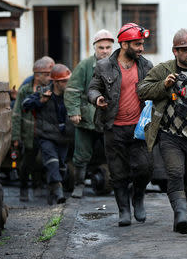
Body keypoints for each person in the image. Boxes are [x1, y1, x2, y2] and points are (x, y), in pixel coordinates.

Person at [137, 28, 187, 234]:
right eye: (184, 50)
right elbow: (142, 90)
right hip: (169, 135)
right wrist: (163, 86)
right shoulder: (164, 69)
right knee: (175, 174)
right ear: (175, 51)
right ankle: (181, 215)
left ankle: (181, 216)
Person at [88, 22, 153, 227]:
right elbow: (92, 88)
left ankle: (138, 198)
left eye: (142, 44)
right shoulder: (104, 66)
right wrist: (97, 98)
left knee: (144, 168)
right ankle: (124, 210)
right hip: (113, 127)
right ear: (124, 45)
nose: (141, 48)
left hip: (139, 128)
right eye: (137, 44)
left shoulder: (146, 65)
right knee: (118, 172)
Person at [64, 29, 114, 198]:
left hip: (110, 119)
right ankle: (78, 185)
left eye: (108, 47)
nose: (105, 51)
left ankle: (117, 184)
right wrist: (74, 112)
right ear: (95, 48)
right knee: (81, 155)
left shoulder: (118, 65)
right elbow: (72, 90)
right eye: (101, 47)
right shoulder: (85, 66)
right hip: (87, 119)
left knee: (114, 152)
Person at [22, 64, 72, 205]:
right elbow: (25, 105)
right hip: (46, 136)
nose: (67, 84)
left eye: (68, 80)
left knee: (62, 166)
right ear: (55, 82)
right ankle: (59, 193)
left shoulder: (71, 94)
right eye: (64, 81)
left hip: (64, 137)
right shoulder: (44, 92)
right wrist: (41, 101)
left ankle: (52, 191)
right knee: (52, 163)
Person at [12, 58, 53, 202]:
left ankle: (38, 187)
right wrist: (16, 137)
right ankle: (23, 189)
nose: (49, 77)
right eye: (46, 74)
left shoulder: (50, 89)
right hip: (29, 133)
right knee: (26, 163)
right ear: (37, 75)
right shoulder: (25, 90)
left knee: (42, 161)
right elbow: (17, 113)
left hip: (45, 132)